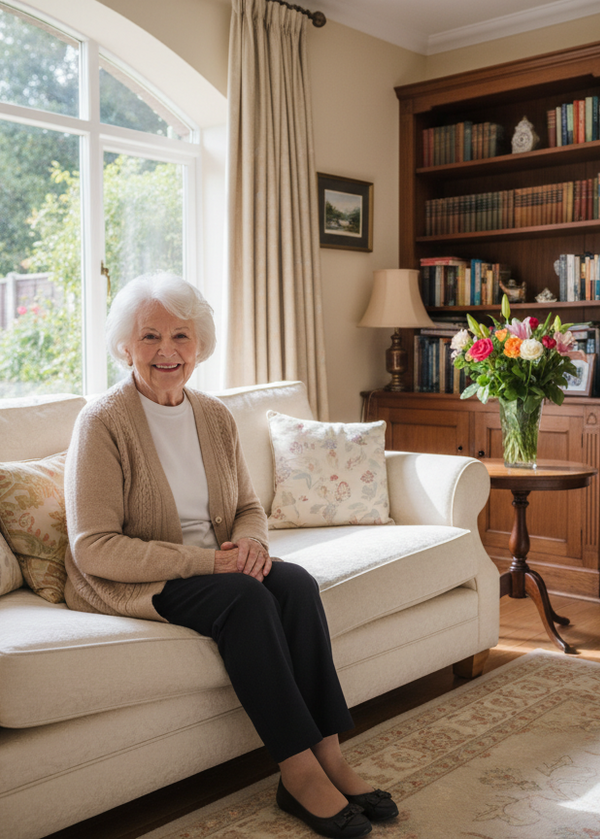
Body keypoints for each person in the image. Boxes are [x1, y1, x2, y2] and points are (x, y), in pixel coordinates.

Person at [63, 272, 395, 839]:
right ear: (125, 347)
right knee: (245, 599)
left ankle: (331, 755)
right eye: (149, 337)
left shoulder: (213, 415)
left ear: (199, 345)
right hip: (141, 576)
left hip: (219, 563)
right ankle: (297, 775)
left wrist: (252, 544)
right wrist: (206, 562)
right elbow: (92, 547)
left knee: (294, 584)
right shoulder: (102, 423)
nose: (167, 351)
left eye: (181, 336)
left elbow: (246, 504)